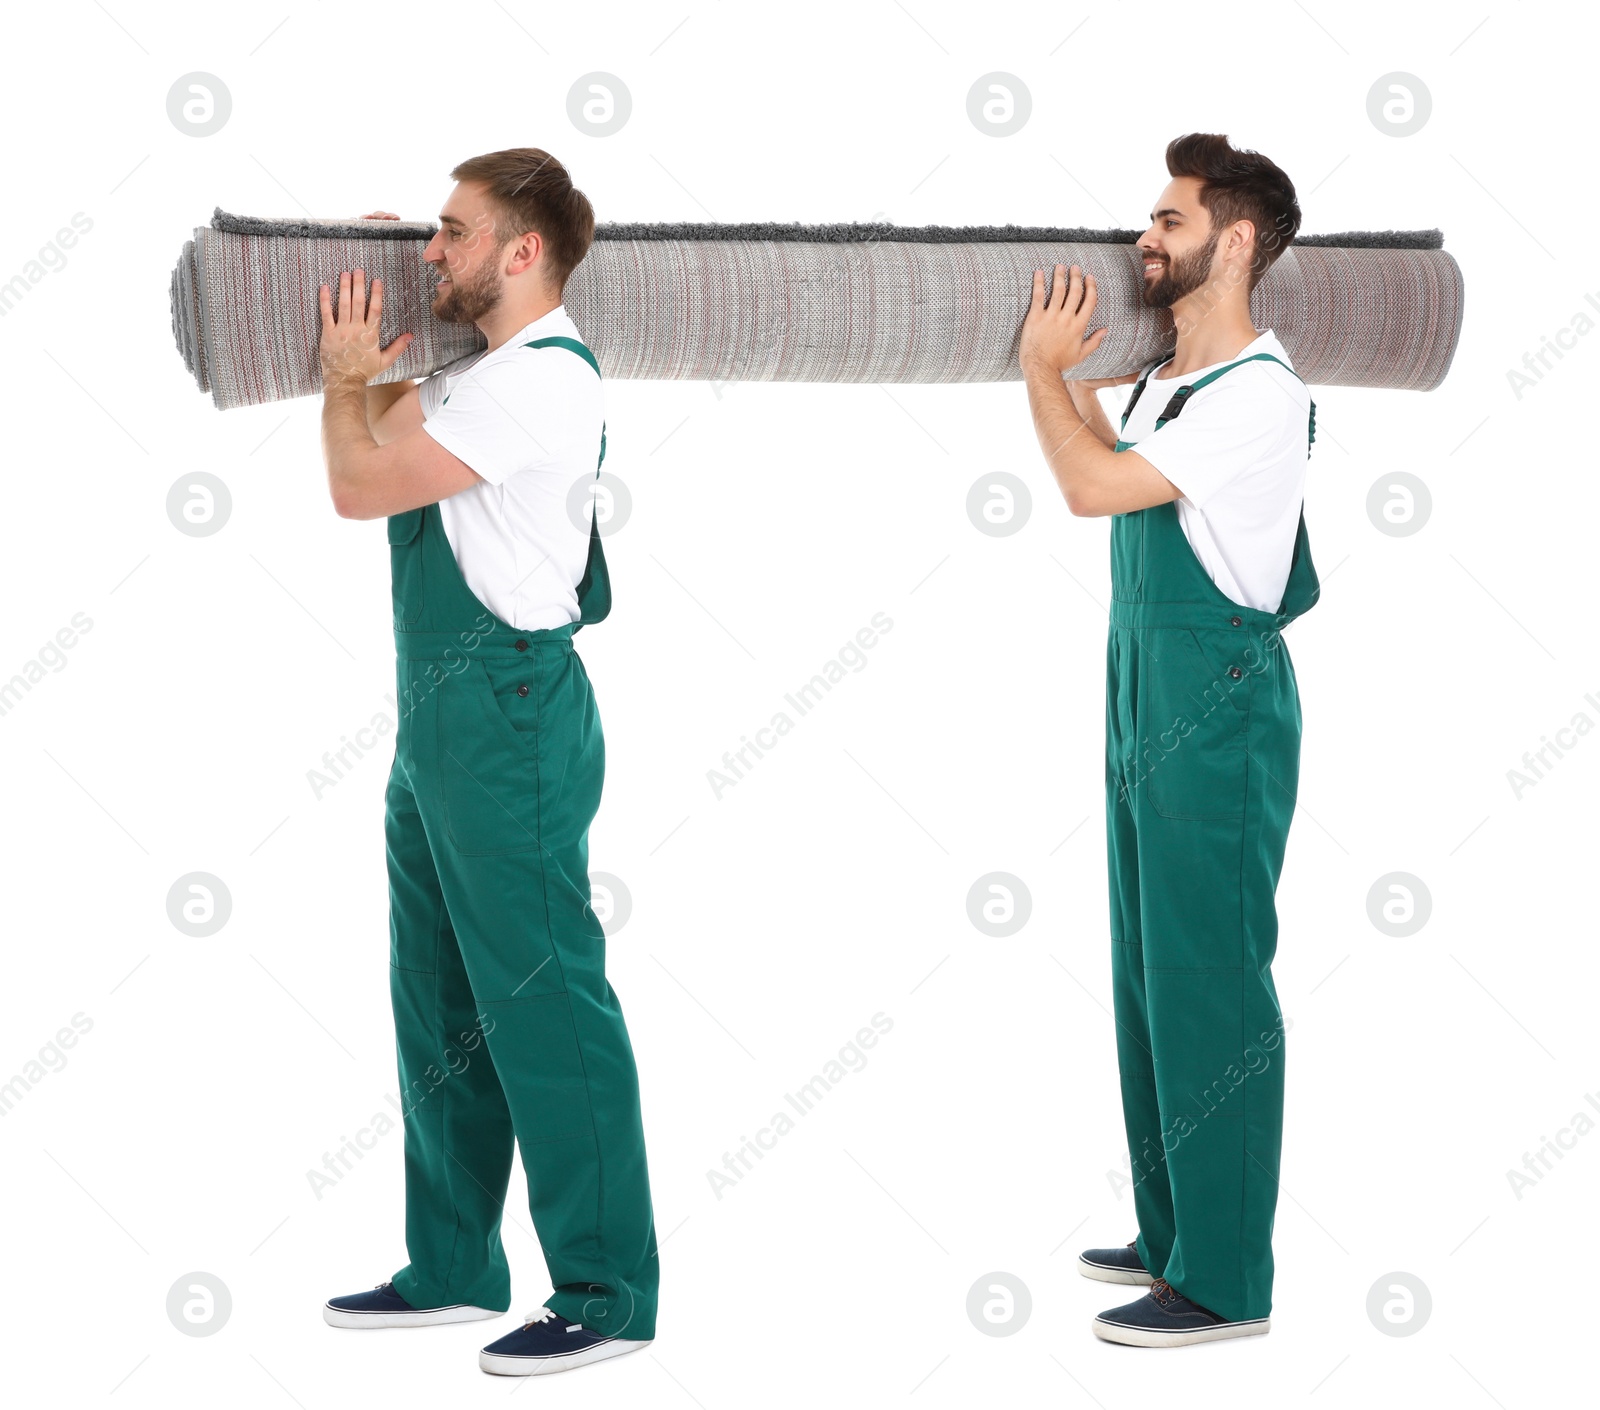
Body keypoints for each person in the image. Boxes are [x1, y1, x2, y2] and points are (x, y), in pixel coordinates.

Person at [313, 147, 658, 1377]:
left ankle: (609, 1290)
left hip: (506, 719)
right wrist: (367, 289)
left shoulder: (535, 384)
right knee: (441, 1000)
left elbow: (358, 479)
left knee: (545, 1001)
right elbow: (396, 411)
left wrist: (343, 374)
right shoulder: (480, 368)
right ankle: (454, 1263)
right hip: (440, 721)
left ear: (522, 254)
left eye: (449, 234)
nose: (430, 251)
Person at [1018, 132, 1319, 1347]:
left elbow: (1089, 488)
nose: (1145, 237)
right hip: (1141, 686)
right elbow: (1106, 450)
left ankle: (1225, 1279)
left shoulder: (1259, 392)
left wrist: (1043, 372)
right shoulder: (1169, 383)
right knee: (1147, 971)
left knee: (1210, 981)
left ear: (1234, 241)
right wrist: (1079, 373)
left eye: (1168, 220)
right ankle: (1174, 1229)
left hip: (1217, 706)